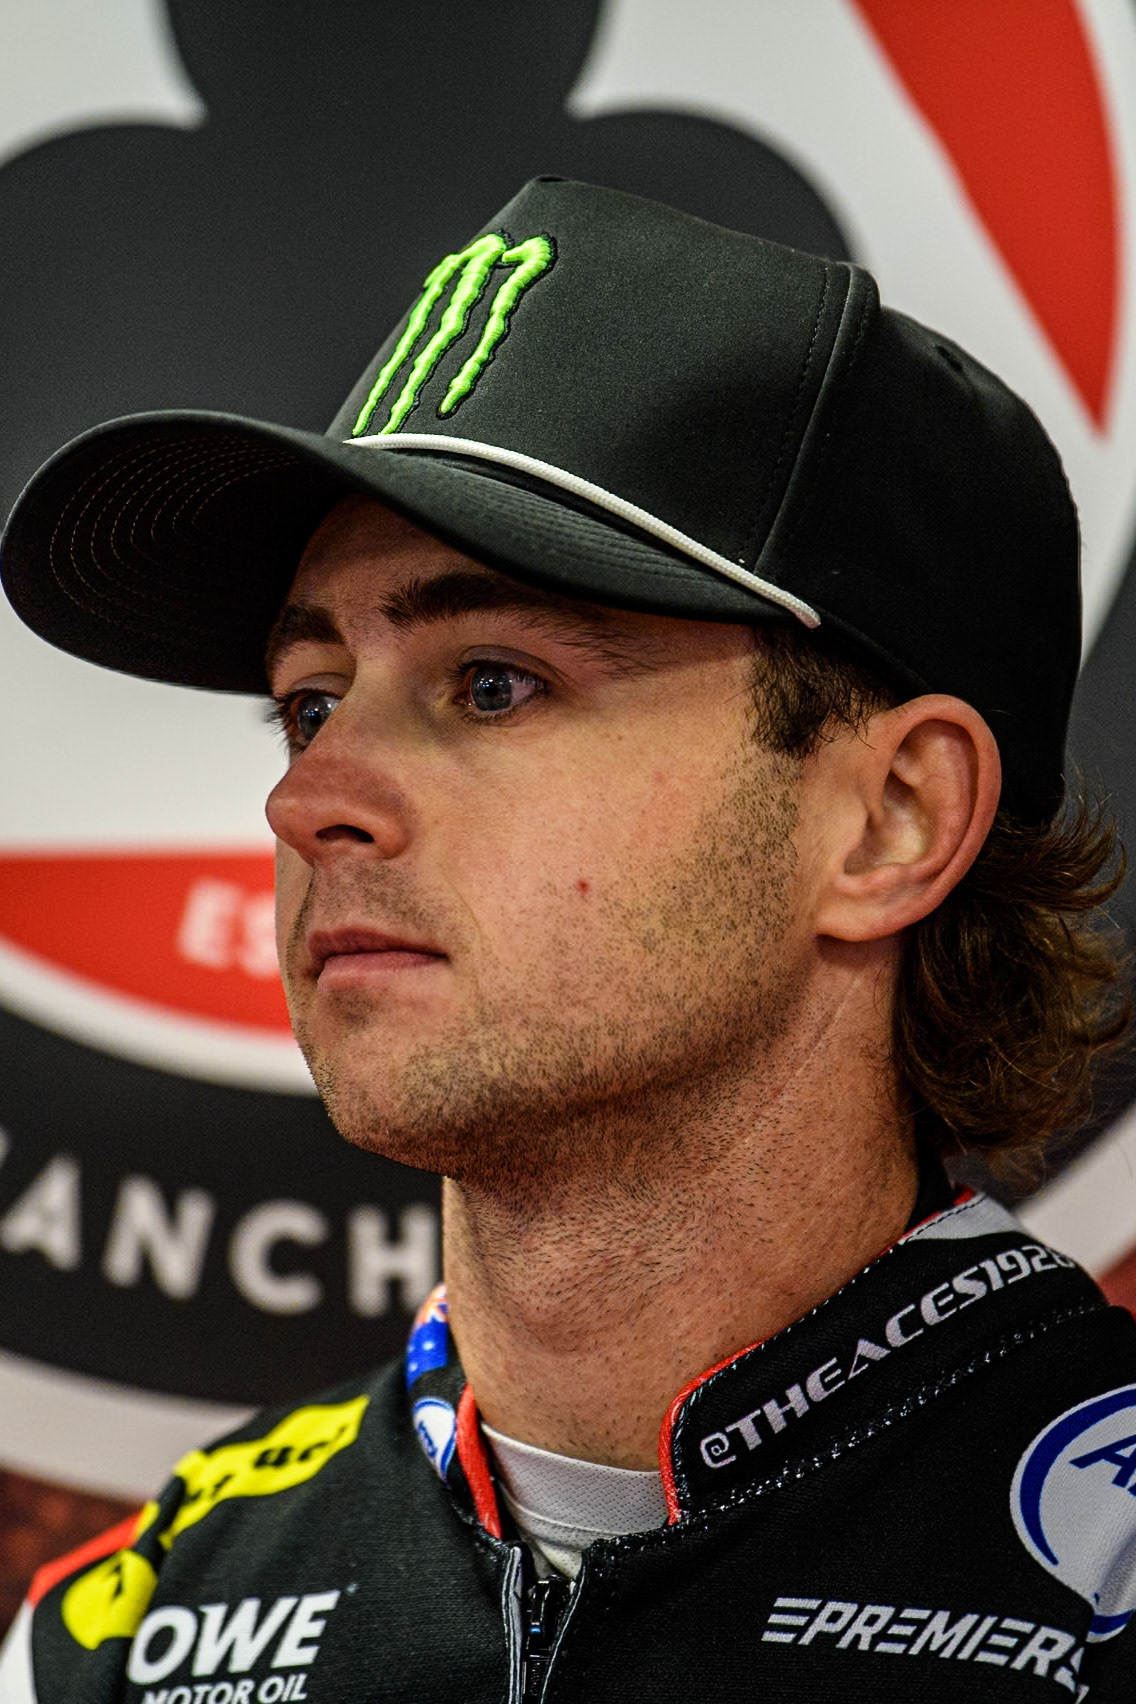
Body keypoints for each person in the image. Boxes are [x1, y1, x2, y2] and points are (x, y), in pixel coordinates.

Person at [0, 176, 1134, 1702]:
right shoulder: (137, 1635)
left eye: (493, 684)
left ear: (893, 820)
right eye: (311, 702)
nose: (312, 797)